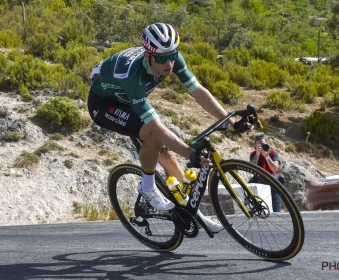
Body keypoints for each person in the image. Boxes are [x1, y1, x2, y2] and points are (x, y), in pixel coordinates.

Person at [87, 22, 258, 232]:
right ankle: (147, 188)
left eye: (172, 55)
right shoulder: (132, 75)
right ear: (148, 56)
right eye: (161, 58)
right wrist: (190, 153)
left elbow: (198, 92)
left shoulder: (170, 57)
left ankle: (196, 215)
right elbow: (157, 128)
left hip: (129, 100)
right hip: (104, 105)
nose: (168, 62)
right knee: (154, 135)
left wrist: (230, 122)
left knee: (169, 158)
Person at [249, 134, 284, 212]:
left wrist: (267, 157)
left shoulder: (273, 153)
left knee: (276, 212)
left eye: (263, 144)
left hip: (274, 185)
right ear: (255, 145)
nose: (262, 146)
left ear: (267, 143)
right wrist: (257, 154)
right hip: (260, 185)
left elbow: (275, 169)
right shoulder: (254, 154)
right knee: (260, 212)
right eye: (259, 145)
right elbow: (251, 168)